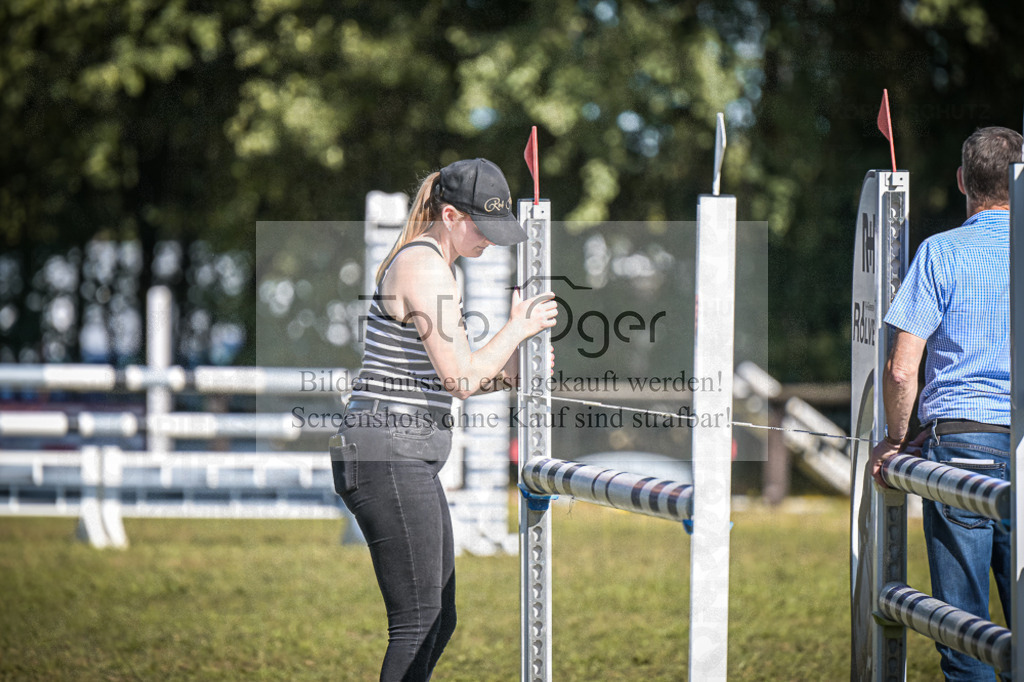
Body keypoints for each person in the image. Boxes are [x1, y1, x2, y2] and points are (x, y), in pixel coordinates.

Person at [329, 157, 557, 681]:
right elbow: (460, 380)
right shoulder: (424, 266)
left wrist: (514, 370)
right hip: (388, 452)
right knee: (417, 622)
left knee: (438, 618)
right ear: (450, 216)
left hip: (401, 453)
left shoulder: (437, 267)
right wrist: (517, 328)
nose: (493, 241)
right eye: (484, 227)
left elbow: (457, 375)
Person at [871, 126, 1022, 681]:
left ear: (962, 181)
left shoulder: (940, 252)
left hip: (960, 447)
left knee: (965, 635)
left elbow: (900, 368)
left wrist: (895, 439)